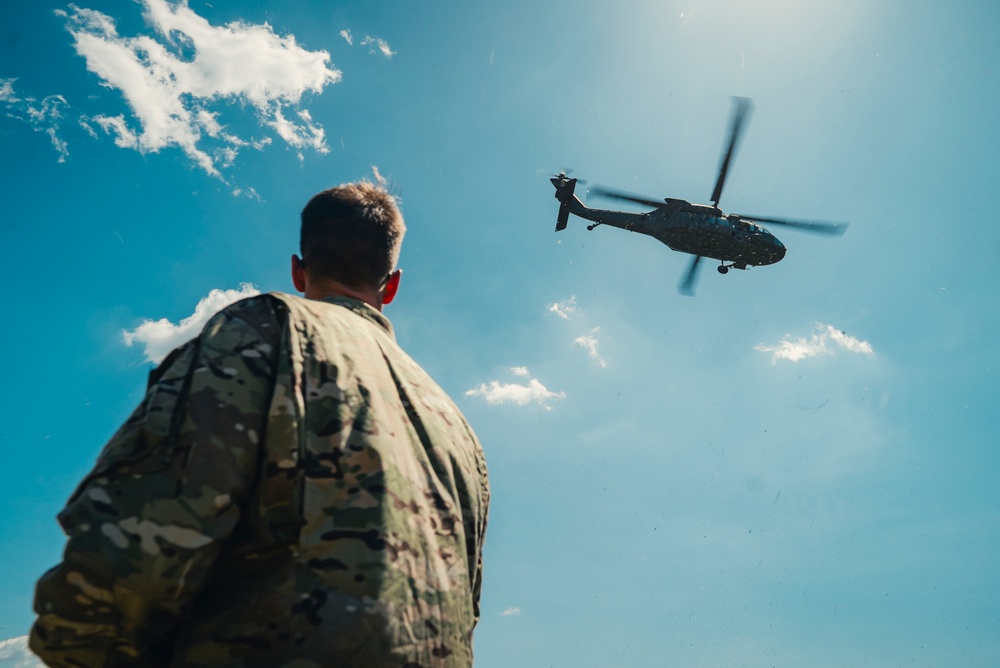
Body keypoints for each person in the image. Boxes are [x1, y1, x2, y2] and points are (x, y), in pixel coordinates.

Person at [30, 181, 490, 667]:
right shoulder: (457, 428)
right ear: (392, 285)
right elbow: (466, 612)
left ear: (298, 269)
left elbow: (134, 551)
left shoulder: (269, 329)